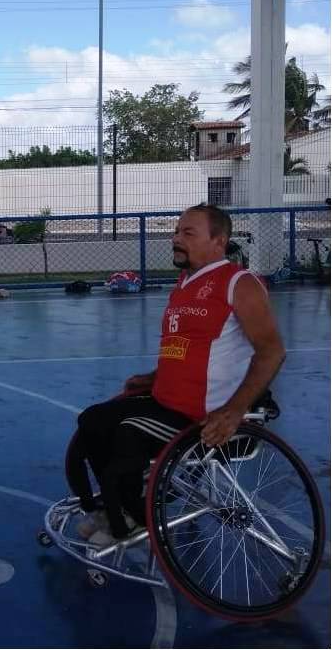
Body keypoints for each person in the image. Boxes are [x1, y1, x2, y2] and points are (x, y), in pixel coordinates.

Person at [66, 203, 286, 546]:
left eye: (188, 233)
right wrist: (154, 377)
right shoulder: (184, 283)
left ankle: (135, 517)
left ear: (219, 241)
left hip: (200, 415)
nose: (176, 239)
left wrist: (234, 411)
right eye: (176, 232)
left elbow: (272, 351)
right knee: (91, 421)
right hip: (165, 401)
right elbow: (190, 351)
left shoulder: (239, 284)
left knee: (126, 438)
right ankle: (123, 506)